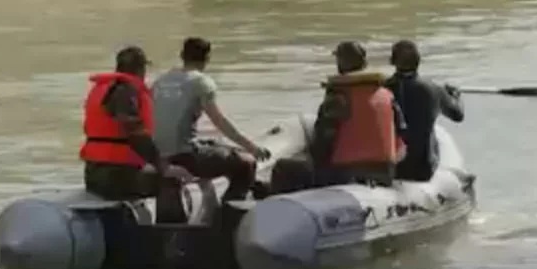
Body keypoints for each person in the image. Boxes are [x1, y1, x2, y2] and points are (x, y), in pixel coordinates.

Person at [150, 37, 271, 211]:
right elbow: (219, 121)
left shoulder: (159, 82)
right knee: (246, 163)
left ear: (182, 55)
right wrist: (252, 147)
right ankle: (229, 215)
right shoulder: (201, 82)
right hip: (185, 157)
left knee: (216, 146)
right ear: (207, 59)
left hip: (158, 155)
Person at [270, 41, 406, 193]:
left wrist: (310, 160)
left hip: (344, 174)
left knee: (283, 167)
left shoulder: (338, 97)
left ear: (341, 63)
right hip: (384, 173)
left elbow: (322, 144)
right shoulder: (387, 95)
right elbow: (401, 135)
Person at [80, 46, 190, 201]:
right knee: (171, 180)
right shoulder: (124, 91)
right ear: (140, 69)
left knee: (156, 172)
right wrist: (163, 167)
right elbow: (135, 133)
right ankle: (170, 226)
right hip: (116, 176)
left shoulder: (103, 88)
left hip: (94, 173)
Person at [384, 39, 464, 182]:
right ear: (419, 61)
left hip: (391, 169)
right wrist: (456, 96)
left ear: (391, 61)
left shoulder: (381, 90)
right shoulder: (434, 89)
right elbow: (458, 115)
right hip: (422, 170)